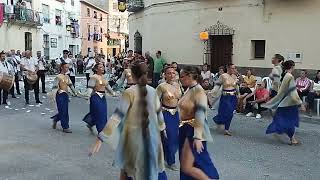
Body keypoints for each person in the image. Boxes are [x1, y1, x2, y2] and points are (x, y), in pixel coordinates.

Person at [89, 60, 168, 180]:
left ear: (134, 74)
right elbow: (159, 115)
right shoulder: (153, 91)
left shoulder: (130, 92)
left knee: (131, 169)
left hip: (134, 138)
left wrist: (101, 138)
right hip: (152, 137)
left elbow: (116, 117)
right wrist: (162, 131)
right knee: (149, 166)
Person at [178, 66, 219, 180]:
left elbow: (200, 114)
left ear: (190, 76)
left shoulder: (199, 91)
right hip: (185, 129)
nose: (180, 79)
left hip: (193, 129)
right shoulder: (190, 89)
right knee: (186, 166)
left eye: (182, 76)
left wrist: (197, 137)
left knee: (190, 166)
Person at [262, 60, 302, 145]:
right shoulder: (289, 76)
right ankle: (292, 138)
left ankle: (288, 135)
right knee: (290, 120)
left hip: (284, 102)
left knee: (283, 118)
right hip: (290, 102)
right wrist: (300, 103)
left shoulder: (284, 75)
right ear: (292, 66)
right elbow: (293, 91)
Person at [156, 65, 182, 171]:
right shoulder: (162, 86)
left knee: (176, 138)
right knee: (169, 137)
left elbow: (180, 99)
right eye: (169, 73)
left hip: (176, 114)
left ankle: (166, 156)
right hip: (166, 114)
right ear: (165, 75)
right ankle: (171, 161)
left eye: (173, 73)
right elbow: (155, 101)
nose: (172, 75)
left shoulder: (178, 85)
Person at [82, 62, 116, 133]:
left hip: (103, 97)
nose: (102, 68)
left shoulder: (103, 77)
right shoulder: (94, 77)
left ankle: (91, 123)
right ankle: (101, 131)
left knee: (102, 113)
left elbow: (107, 86)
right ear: (96, 69)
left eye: (103, 67)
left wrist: (113, 93)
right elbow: (90, 87)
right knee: (99, 113)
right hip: (95, 97)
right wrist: (88, 95)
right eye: (100, 67)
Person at [50, 62, 78, 133]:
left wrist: (74, 92)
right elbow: (54, 87)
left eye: (68, 67)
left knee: (64, 110)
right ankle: (65, 127)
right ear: (62, 67)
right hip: (59, 95)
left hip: (65, 95)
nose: (67, 69)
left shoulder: (67, 77)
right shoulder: (58, 76)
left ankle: (56, 119)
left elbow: (70, 85)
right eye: (66, 67)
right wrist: (55, 92)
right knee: (63, 111)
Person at [211, 64, 239, 136]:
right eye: (232, 68)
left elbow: (236, 87)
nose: (233, 69)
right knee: (227, 111)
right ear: (228, 68)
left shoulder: (235, 76)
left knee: (231, 113)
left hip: (233, 97)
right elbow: (217, 84)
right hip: (225, 96)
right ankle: (218, 119)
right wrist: (213, 93)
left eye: (234, 68)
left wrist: (238, 94)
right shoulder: (223, 76)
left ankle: (226, 129)